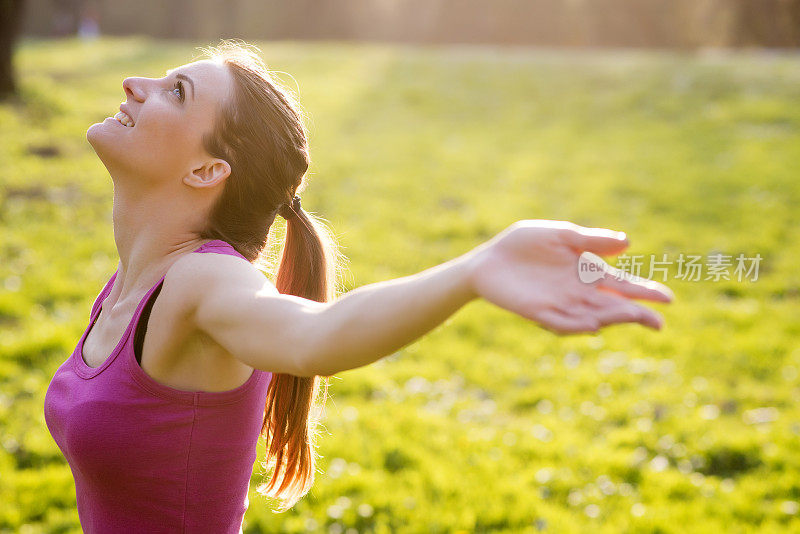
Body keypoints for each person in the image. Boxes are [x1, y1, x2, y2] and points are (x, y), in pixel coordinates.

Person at [43, 40, 674, 533]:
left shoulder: (202, 283)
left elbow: (318, 335)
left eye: (174, 92)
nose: (134, 84)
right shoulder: (135, 281)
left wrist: (475, 271)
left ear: (209, 169)